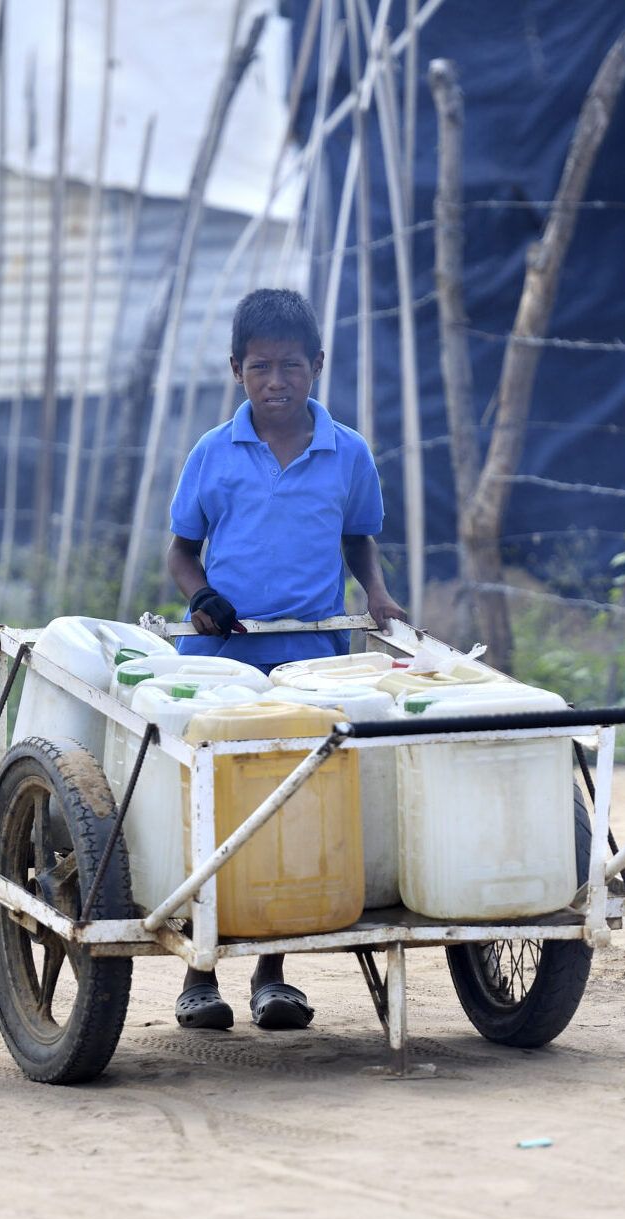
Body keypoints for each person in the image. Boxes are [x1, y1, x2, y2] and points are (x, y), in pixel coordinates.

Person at [165, 287, 406, 1032]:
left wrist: (379, 593)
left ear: (318, 367)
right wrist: (203, 595)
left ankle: (274, 973)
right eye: (262, 367)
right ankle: (200, 974)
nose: (277, 381)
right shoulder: (214, 453)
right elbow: (180, 550)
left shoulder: (349, 453)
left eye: (292, 366)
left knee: (296, 810)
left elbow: (359, 534)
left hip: (313, 660)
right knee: (213, 806)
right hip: (224, 660)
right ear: (237, 370)